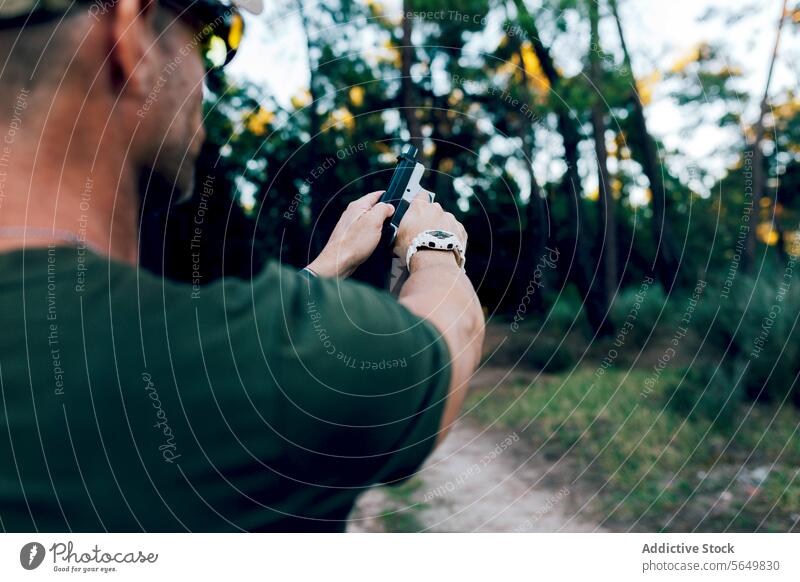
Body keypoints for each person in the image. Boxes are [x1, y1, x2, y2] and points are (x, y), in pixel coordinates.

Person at [0, 0, 484, 531]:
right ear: (130, 35)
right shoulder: (264, 362)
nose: (208, 76)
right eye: (212, 38)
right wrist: (434, 242)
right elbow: (449, 334)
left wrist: (328, 264)